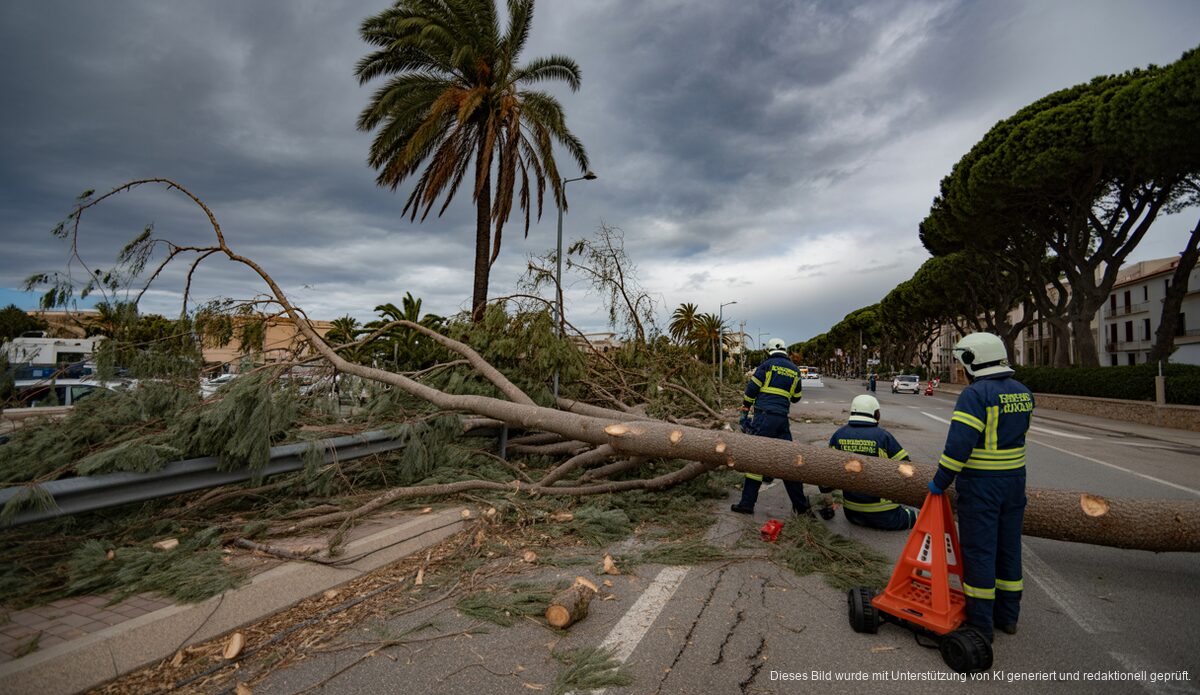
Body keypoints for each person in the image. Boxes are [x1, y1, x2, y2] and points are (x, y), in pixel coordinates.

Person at [927, 332, 1034, 643]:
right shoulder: (1023, 392)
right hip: (1015, 483)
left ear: (974, 360)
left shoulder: (976, 395)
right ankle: (1008, 616)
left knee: (979, 553)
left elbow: (959, 446)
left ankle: (980, 625)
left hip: (982, 486)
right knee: (1009, 548)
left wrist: (939, 482)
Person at [731, 338, 811, 516]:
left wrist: (745, 408)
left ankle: (747, 504)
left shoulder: (766, 366)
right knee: (788, 461)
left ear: (769, 351)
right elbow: (796, 397)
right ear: (785, 350)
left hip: (764, 417)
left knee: (757, 459)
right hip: (782, 419)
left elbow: (752, 389)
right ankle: (801, 507)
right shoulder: (794, 370)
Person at [820, 395, 918, 530]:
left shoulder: (838, 435)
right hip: (884, 514)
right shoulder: (883, 436)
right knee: (918, 516)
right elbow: (907, 468)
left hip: (852, 513)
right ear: (874, 413)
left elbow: (826, 475)